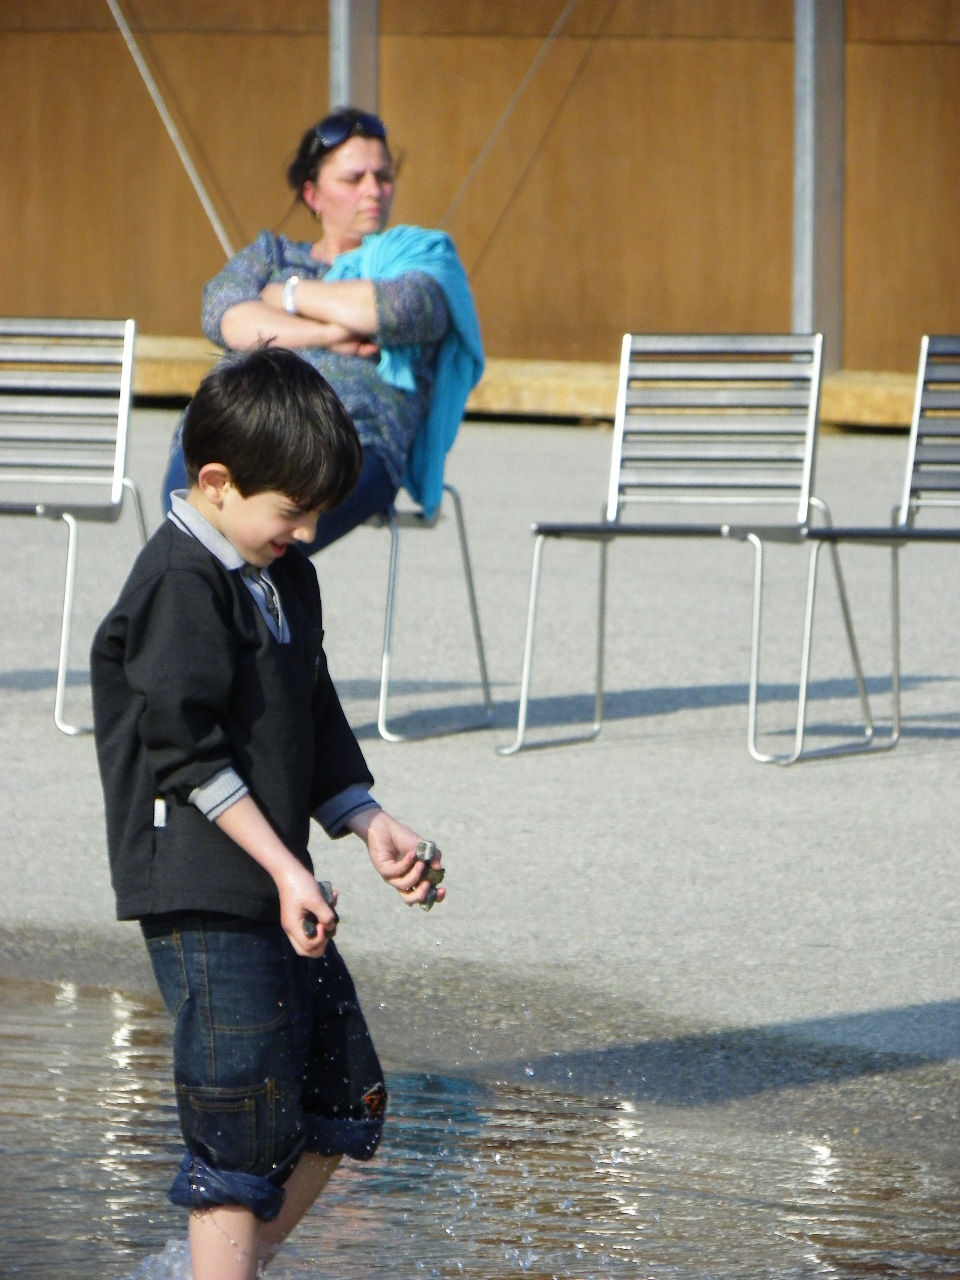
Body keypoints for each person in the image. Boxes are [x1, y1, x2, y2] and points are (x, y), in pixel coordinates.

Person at [91, 347, 445, 1280]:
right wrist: (288, 869)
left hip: (278, 884)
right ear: (216, 482)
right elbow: (187, 754)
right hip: (203, 890)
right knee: (238, 1128)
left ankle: (205, 1270)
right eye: (293, 511)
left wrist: (369, 821)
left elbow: (309, 714)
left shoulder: (284, 571)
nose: (309, 530)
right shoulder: (178, 584)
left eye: (319, 512)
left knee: (344, 1098)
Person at [162, 106, 484, 550]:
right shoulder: (271, 255)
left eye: (383, 176)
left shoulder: (420, 258)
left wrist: (287, 297)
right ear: (312, 195)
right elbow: (228, 318)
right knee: (194, 530)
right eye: (353, 179)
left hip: (351, 443)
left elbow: (394, 310)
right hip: (234, 425)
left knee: (258, 539)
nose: (373, 190)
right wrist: (332, 333)